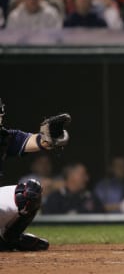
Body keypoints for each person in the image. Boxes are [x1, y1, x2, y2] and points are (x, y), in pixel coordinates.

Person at [0, 98, 71, 251]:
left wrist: (50, 137)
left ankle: (8, 240)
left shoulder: (3, 138)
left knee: (29, 192)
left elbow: (37, 141)